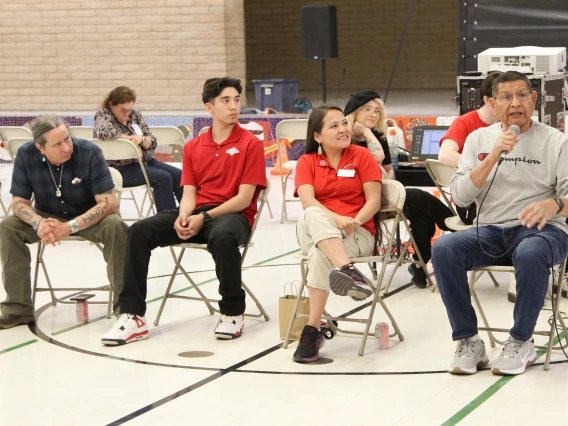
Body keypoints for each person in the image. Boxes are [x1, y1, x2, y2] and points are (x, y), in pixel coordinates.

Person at [101, 77, 266, 345]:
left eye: (236, 99)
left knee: (223, 236)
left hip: (232, 216)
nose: (234, 106)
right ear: (209, 107)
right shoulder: (193, 146)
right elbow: (189, 194)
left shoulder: (251, 144)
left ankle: (233, 311)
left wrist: (205, 217)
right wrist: (183, 215)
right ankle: (132, 315)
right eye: (226, 100)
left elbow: (244, 198)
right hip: (198, 212)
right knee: (140, 231)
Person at [432, 71, 568, 376]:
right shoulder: (478, 139)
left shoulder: (557, 142)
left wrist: (555, 204)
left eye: (522, 95)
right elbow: (462, 197)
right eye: (506, 97)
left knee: (531, 253)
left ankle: (521, 341)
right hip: (490, 232)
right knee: (444, 248)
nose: (515, 103)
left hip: (543, 232)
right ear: (492, 104)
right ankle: (468, 340)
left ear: (534, 100)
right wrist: (493, 154)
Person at [0, 115, 128, 328]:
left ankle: (125, 308)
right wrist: (39, 223)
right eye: (57, 144)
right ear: (40, 148)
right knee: (7, 227)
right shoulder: (25, 155)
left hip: (90, 216)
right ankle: (17, 308)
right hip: (47, 215)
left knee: (116, 226)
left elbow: (108, 203)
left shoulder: (90, 153)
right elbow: (19, 203)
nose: (67, 147)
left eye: (67, 139)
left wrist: (71, 226)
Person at [293, 104, 382, 363]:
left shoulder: (362, 156)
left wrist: (354, 221)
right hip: (317, 229)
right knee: (312, 214)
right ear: (317, 136)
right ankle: (348, 270)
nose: (343, 129)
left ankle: (312, 330)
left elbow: (373, 202)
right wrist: (337, 219)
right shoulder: (306, 161)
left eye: (344, 123)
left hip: (356, 232)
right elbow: (308, 201)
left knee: (320, 256)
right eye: (334, 126)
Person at [344, 90, 453, 288]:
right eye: (367, 109)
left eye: (377, 111)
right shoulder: (345, 137)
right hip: (358, 198)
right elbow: (373, 158)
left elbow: (388, 171)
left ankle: (419, 269)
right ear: (354, 112)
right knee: (419, 197)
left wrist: (392, 190)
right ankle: (452, 223)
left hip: (381, 192)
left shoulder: (379, 136)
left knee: (421, 213)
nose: (373, 115)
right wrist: (367, 133)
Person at [93, 86, 183, 213]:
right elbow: (103, 132)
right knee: (163, 178)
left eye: (129, 109)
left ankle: (185, 217)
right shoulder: (103, 115)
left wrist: (141, 140)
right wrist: (131, 142)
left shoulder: (135, 114)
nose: (127, 114)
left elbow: (151, 139)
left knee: (180, 176)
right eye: (123, 110)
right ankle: (167, 224)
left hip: (144, 162)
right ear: (112, 105)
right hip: (118, 168)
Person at [438, 71, 502, 168]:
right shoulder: (463, 122)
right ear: (487, 100)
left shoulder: (506, 124)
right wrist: (481, 167)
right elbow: (445, 155)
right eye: (505, 98)